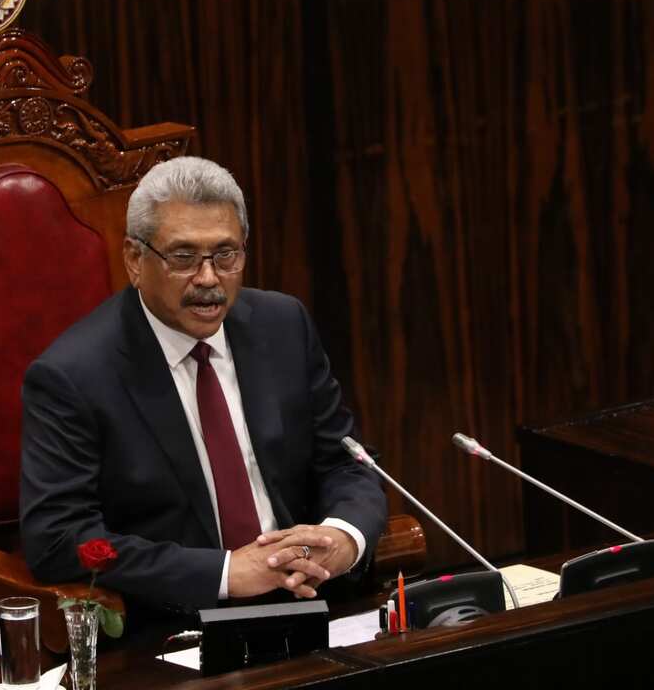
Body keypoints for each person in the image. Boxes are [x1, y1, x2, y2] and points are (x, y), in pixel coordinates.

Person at [19, 156, 387, 620]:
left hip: (310, 602)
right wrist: (224, 572)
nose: (209, 279)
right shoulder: (74, 376)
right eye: (183, 258)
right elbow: (57, 536)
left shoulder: (282, 325)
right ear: (135, 260)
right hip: (175, 626)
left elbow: (346, 460)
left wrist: (343, 536)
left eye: (226, 254)